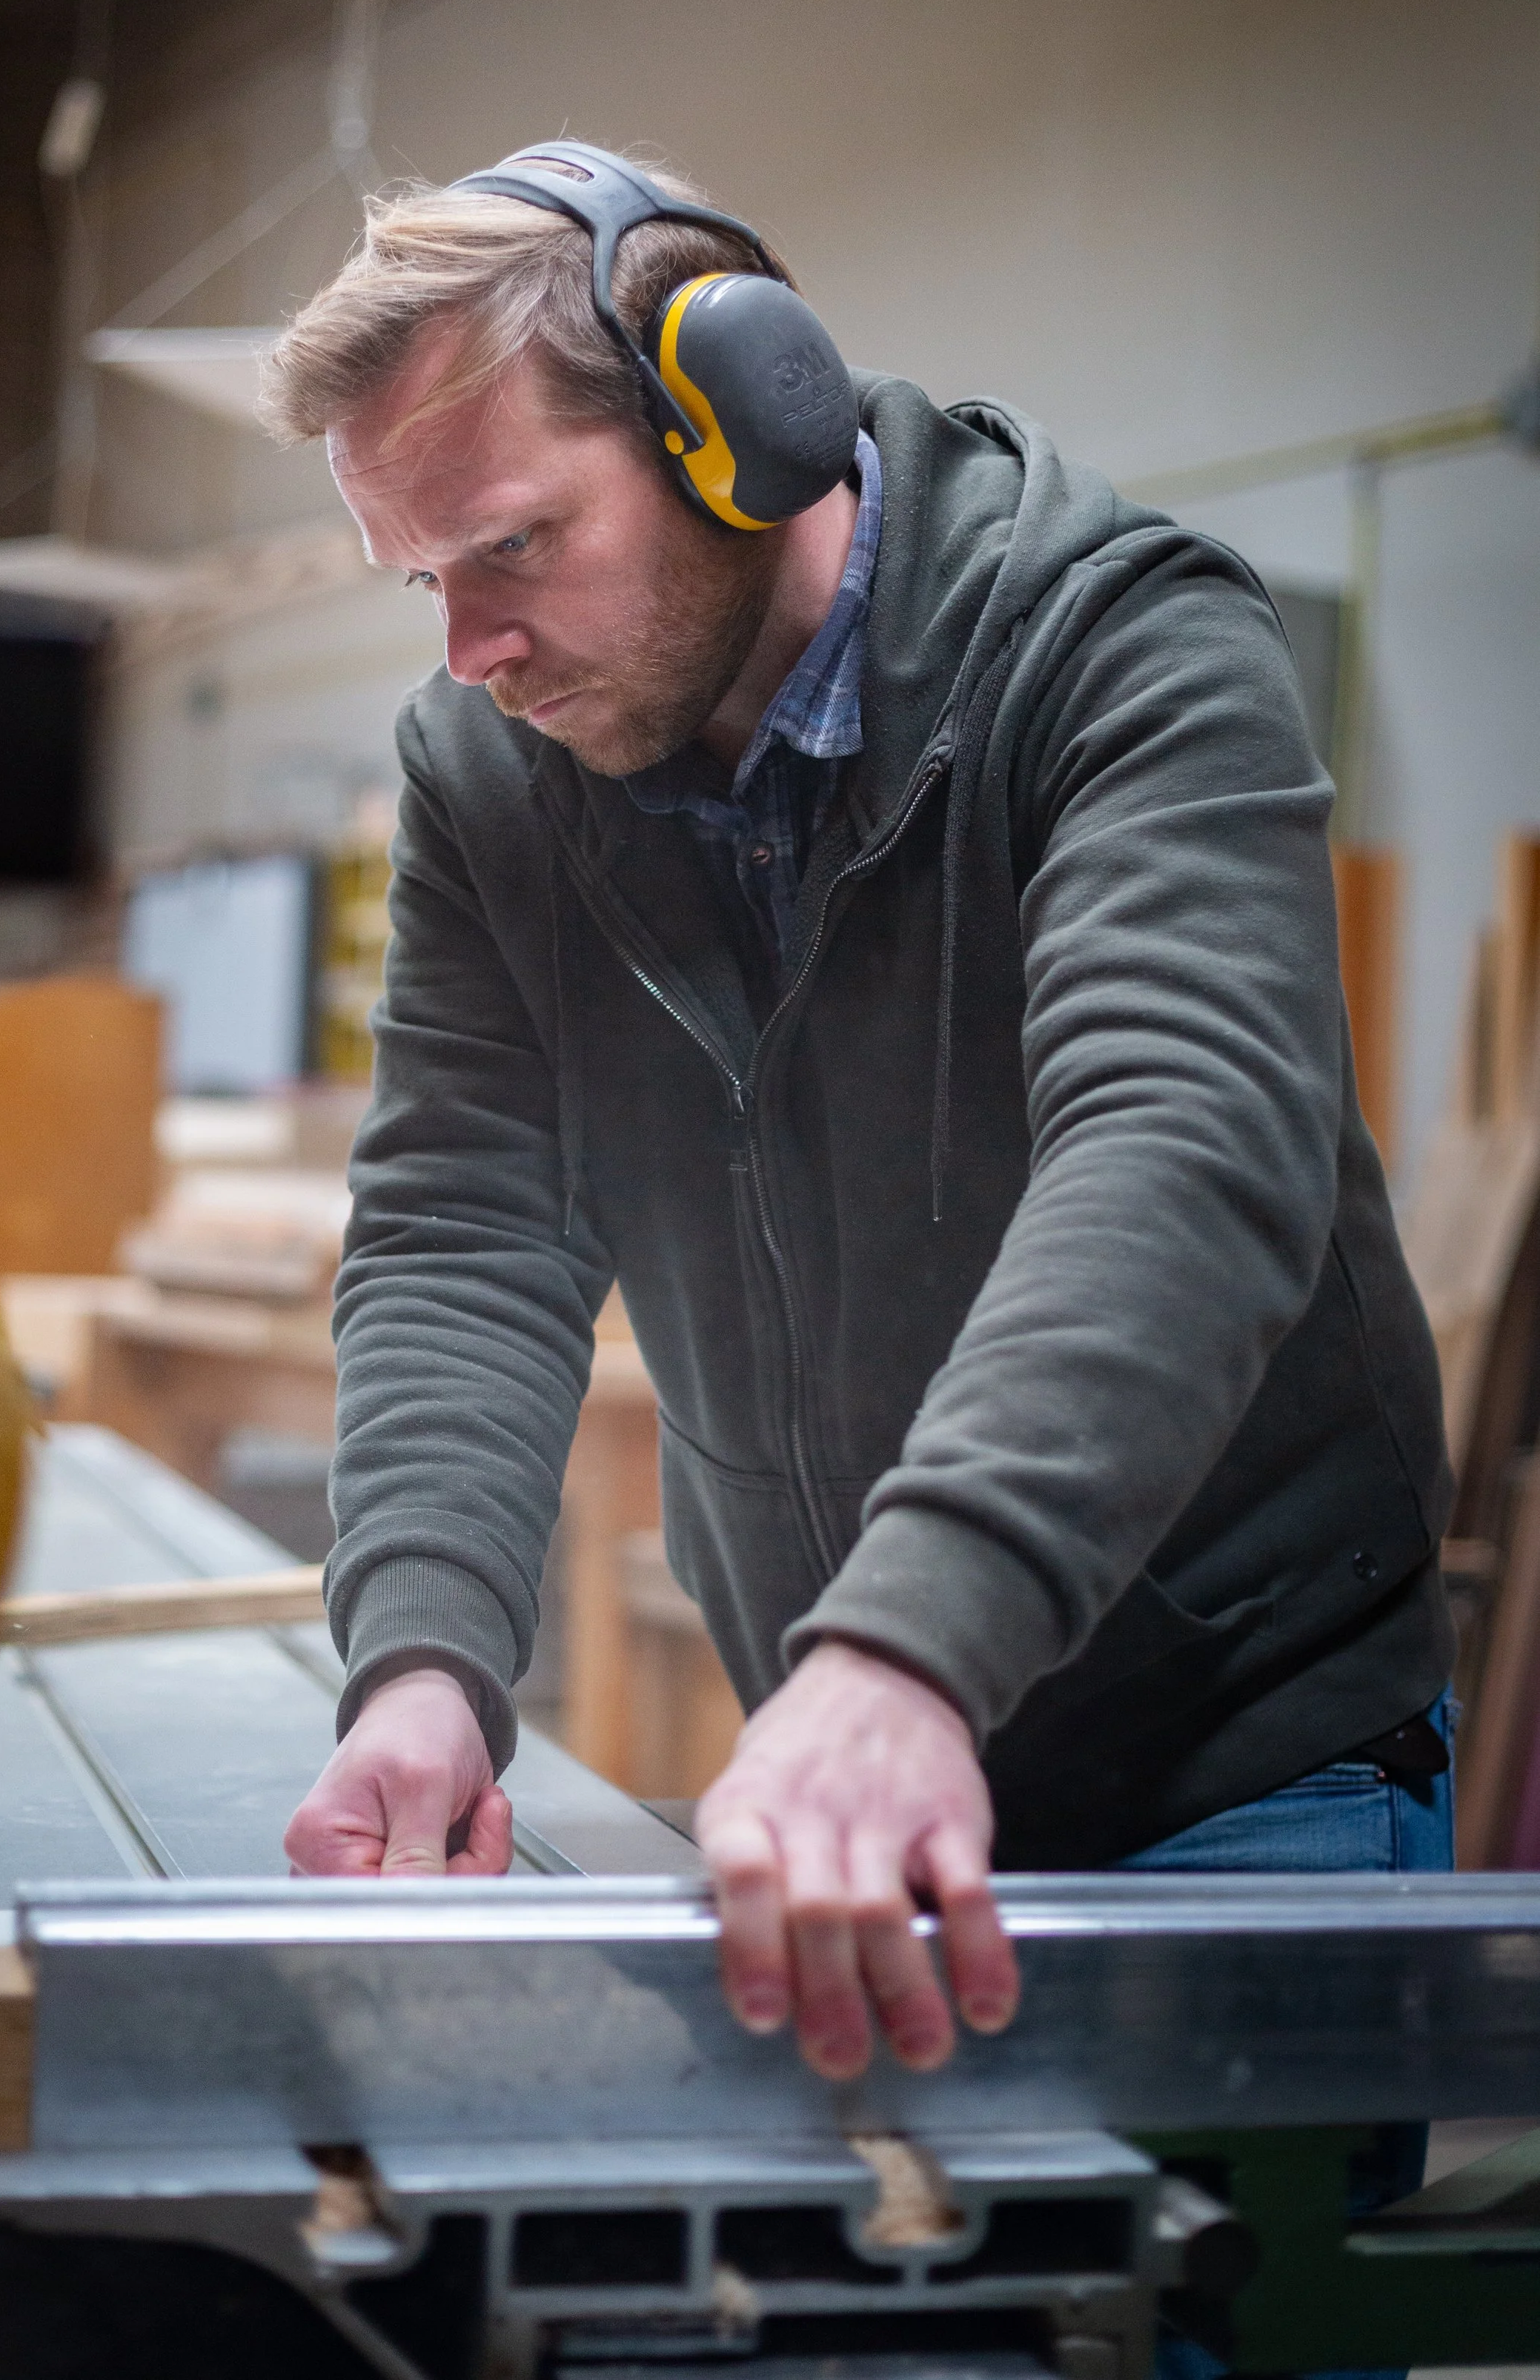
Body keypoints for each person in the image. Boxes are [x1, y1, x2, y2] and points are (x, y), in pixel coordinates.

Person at [268, 140, 1455, 2109]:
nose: (464, 650)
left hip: (1231, 1744)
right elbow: (467, 1226)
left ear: (743, 427)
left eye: (509, 546)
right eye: (420, 580)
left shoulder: (1116, 646)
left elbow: (1178, 1143)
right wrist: (421, 1661)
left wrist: (904, 1647)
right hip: (840, 1737)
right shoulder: (494, 771)